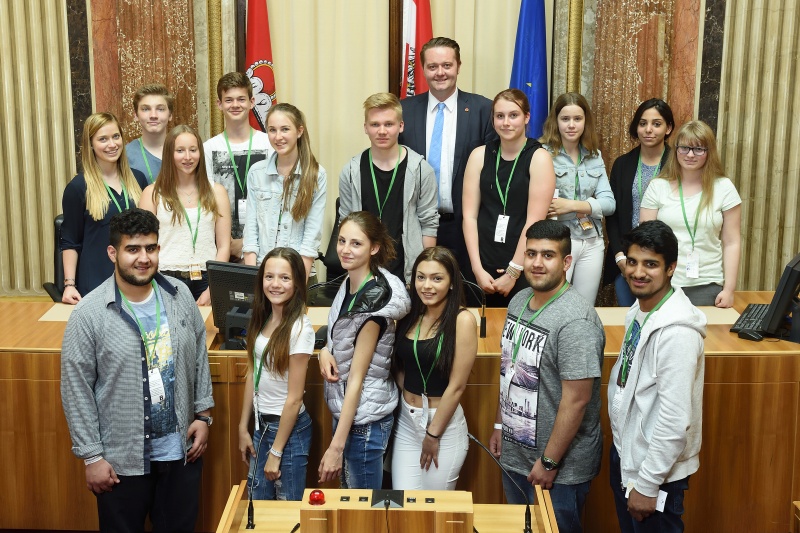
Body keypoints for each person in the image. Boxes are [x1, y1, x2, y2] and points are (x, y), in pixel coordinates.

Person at [60, 208, 214, 532]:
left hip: (179, 454)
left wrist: (203, 415)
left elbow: (199, 354)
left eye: (151, 248)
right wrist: (92, 457)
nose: (143, 258)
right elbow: (76, 389)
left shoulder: (179, 294)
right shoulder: (89, 314)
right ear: (113, 253)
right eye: (133, 249)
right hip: (121, 462)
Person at [489, 219, 604, 533]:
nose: (537, 263)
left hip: (559, 468)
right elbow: (509, 369)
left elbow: (577, 401)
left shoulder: (576, 320)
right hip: (516, 455)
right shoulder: (518, 302)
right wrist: (501, 423)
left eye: (548, 255)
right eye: (531, 254)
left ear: (567, 262)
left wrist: (550, 461)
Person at [608, 220, 705, 532]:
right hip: (628, 457)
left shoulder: (677, 332)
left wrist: (648, 484)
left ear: (671, 268)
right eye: (633, 262)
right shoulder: (641, 310)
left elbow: (675, 418)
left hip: (654, 474)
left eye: (651, 264)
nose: (637, 272)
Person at [318, 211, 411, 489]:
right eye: (342, 240)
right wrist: (325, 350)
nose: (345, 250)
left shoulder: (373, 306)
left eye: (356, 244)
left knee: (363, 513)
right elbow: (338, 335)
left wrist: (335, 447)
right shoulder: (350, 281)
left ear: (374, 248)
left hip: (364, 422)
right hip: (351, 414)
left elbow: (357, 378)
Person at [398, 36, 496, 266]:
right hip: (416, 226)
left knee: (465, 296)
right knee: (421, 294)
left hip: (466, 228)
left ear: (458, 67)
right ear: (423, 69)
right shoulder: (403, 110)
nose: (440, 72)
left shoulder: (484, 110)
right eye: (432, 66)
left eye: (447, 65)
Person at [391, 246, 477, 490]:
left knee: (434, 511)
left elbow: (458, 386)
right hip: (407, 421)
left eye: (436, 278)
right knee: (405, 506)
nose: (426, 286)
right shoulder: (410, 315)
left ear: (451, 283)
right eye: (421, 277)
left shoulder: (462, 320)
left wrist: (433, 434)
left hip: (443, 425)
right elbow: (399, 365)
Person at [462, 89, 556, 307]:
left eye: (513, 115)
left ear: (526, 117)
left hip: (524, 263)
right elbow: (469, 217)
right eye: (499, 116)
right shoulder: (479, 155)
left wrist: (513, 271)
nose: (506, 122)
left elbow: (534, 222)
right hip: (480, 262)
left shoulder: (539, 158)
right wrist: (476, 268)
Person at [238, 247, 314, 501]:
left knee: (286, 513)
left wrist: (277, 451)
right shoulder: (264, 317)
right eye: (269, 276)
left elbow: (294, 398)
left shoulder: (300, 328)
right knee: (257, 507)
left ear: (297, 283)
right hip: (263, 426)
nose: (275, 284)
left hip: (288, 433)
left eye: (285, 278)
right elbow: (254, 372)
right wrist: (242, 426)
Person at [338, 92, 439, 282]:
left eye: (389, 124)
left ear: (401, 126)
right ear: (365, 128)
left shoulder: (420, 170)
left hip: (406, 271)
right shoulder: (351, 172)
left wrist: (425, 273)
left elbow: (429, 224)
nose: (382, 131)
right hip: (363, 272)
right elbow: (345, 222)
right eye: (375, 124)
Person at [640, 120, 742, 307]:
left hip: (708, 284)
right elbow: (646, 242)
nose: (690, 155)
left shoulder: (724, 188)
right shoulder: (657, 186)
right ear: (676, 149)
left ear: (709, 152)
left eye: (698, 149)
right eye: (684, 148)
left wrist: (729, 289)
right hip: (664, 284)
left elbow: (732, 242)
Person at [61, 112, 149, 303]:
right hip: (96, 282)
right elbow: (70, 241)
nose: (112, 144)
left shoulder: (138, 179)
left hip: (135, 279)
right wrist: (69, 285)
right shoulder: (78, 188)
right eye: (103, 139)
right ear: (91, 144)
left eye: (116, 136)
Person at [139, 125, 231, 305]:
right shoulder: (152, 194)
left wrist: (213, 287)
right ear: (169, 155)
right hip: (165, 278)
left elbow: (224, 246)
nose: (188, 157)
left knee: (208, 332)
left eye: (193, 150)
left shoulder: (217, 192)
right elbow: (145, 247)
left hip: (207, 278)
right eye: (180, 151)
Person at [540, 92, 616, 306]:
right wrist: (591, 207)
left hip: (592, 240)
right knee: (553, 305)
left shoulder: (594, 155)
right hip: (559, 240)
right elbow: (544, 206)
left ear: (585, 122)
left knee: (583, 307)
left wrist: (570, 205)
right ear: (556, 121)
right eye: (565, 119)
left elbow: (609, 204)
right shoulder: (542, 154)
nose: (571, 125)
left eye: (577, 119)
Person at [243, 103, 327, 279]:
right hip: (262, 273)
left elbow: (312, 236)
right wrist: (251, 278)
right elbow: (251, 232)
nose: (278, 136)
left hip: (299, 273)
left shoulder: (316, 174)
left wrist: (297, 284)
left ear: (299, 131)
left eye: (285, 129)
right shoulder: (256, 172)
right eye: (272, 130)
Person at [605, 99, 674, 307]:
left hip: (663, 261)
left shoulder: (677, 165)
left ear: (668, 128)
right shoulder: (622, 164)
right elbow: (613, 217)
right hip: (627, 260)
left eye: (656, 123)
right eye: (643, 123)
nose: (648, 130)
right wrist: (620, 257)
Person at [204, 72, 274, 262]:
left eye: (241, 99)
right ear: (219, 104)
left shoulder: (269, 144)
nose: (235, 105)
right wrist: (228, 244)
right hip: (223, 249)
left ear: (252, 102)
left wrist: (247, 242)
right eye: (229, 100)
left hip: (266, 247)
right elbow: (208, 201)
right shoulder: (209, 148)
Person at [126, 84, 174, 184]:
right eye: (146, 109)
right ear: (136, 115)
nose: (153, 115)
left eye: (160, 109)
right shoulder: (125, 155)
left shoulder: (186, 151)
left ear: (170, 115)